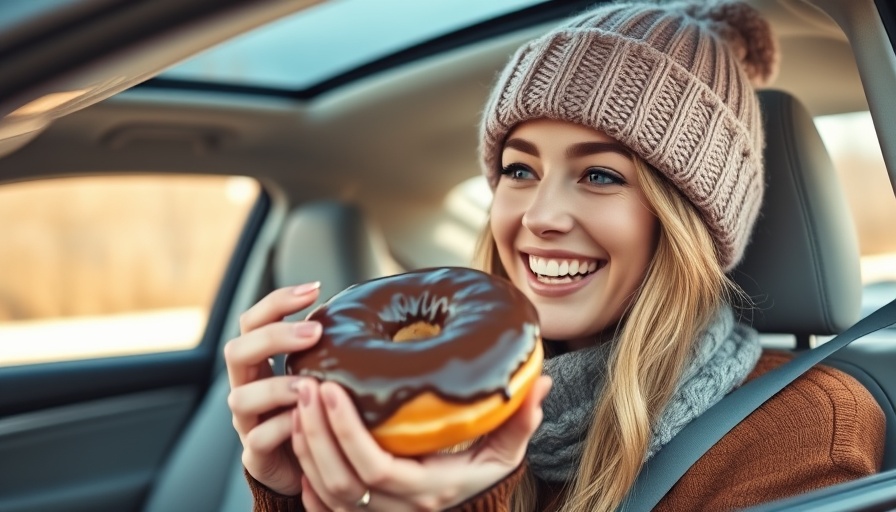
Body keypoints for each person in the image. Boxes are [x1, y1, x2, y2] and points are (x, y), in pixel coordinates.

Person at [225, 1, 886, 510]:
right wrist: (298, 496)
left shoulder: (801, 431)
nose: (539, 217)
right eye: (519, 170)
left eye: (600, 175)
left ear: (687, 223)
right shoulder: (421, 412)